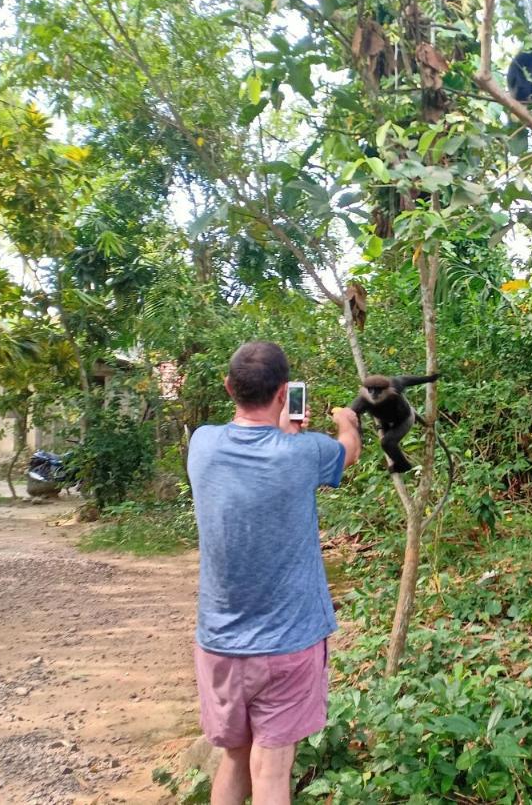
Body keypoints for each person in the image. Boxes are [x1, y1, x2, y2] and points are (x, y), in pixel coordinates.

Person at [187, 341, 362, 805]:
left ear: (229, 388)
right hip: (289, 644)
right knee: (272, 769)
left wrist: (282, 433)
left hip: (221, 643)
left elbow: (255, 447)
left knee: (233, 758)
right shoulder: (304, 454)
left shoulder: (201, 444)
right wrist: (347, 420)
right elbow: (349, 452)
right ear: (285, 393)